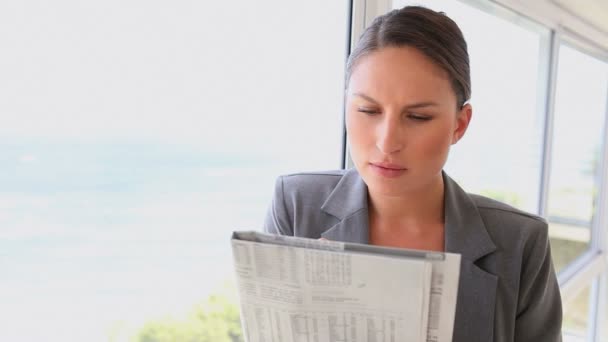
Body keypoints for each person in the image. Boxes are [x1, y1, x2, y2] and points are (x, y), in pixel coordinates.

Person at [264, 5, 562, 342]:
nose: (387, 142)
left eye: (418, 117)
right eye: (368, 110)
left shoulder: (520, 242)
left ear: (459, 125)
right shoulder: (295, 206)